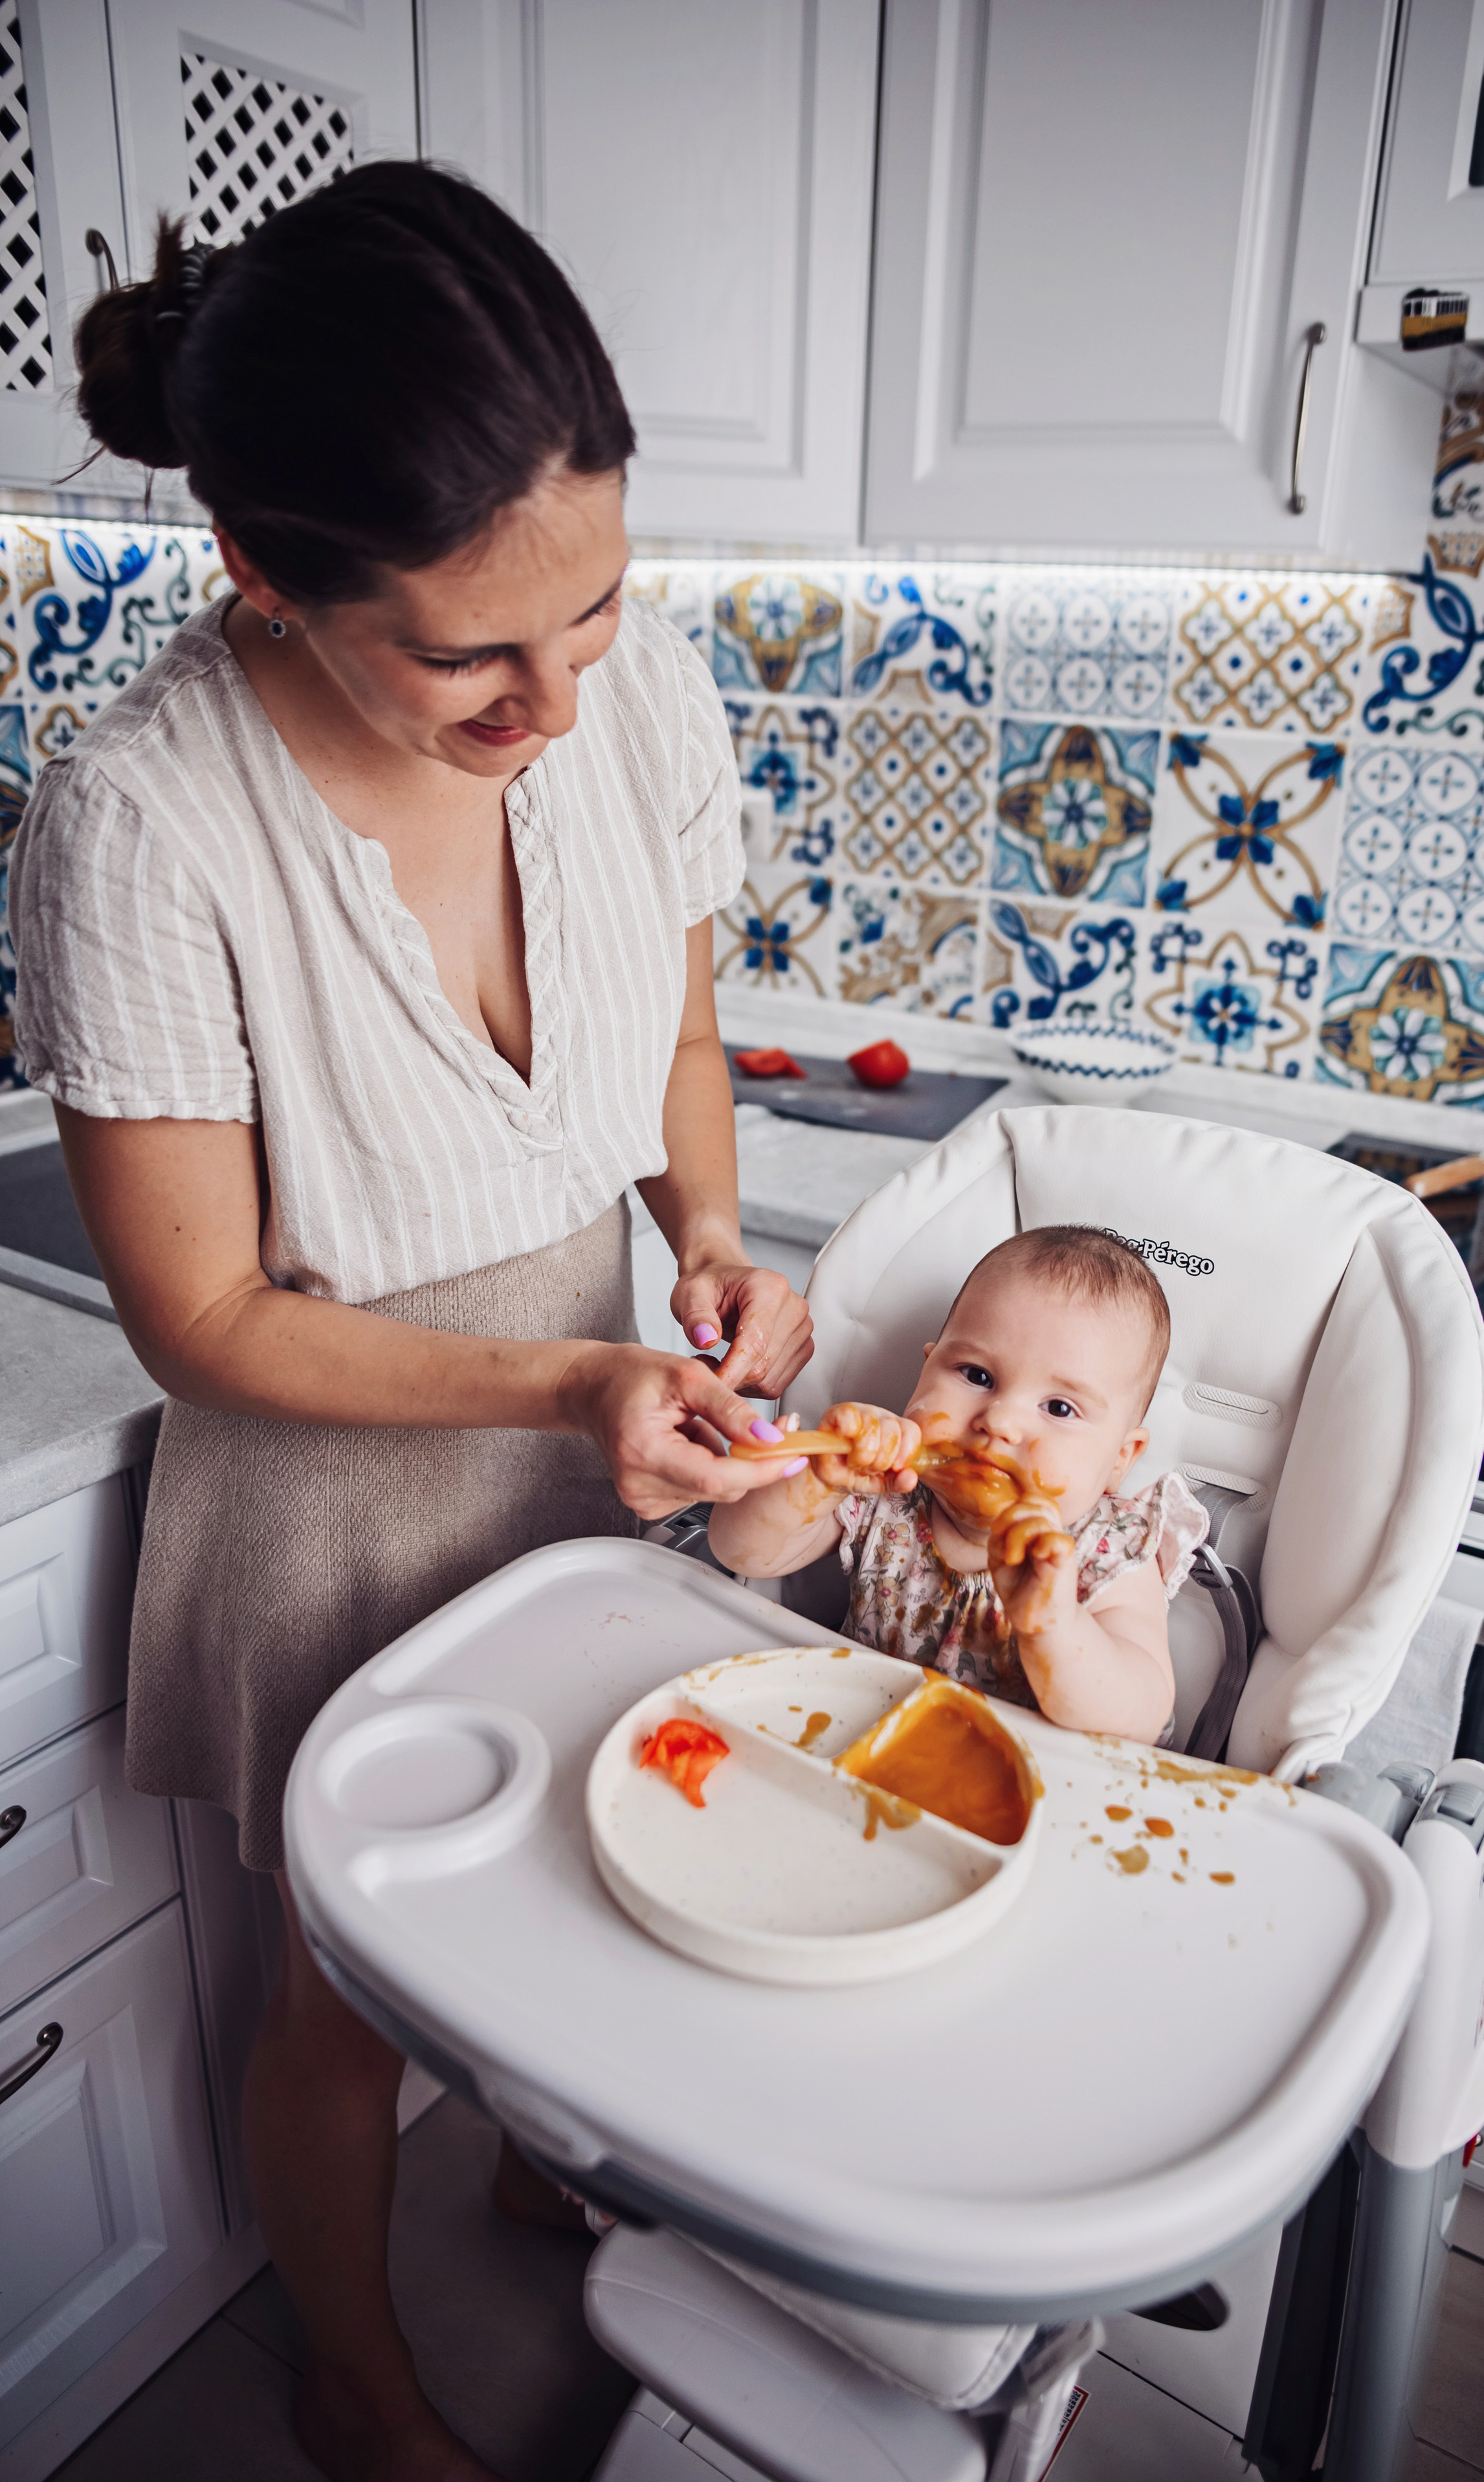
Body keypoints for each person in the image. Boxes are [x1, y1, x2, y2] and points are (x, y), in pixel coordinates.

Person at [7, 166, 811, 2482]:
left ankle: (532, 2150)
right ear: (264, 566)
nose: (559, 699)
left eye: (597, 609)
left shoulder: (618, 693)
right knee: (344, 1984)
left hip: (591, 1399)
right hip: (329, 1463)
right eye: (475, 654)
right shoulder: (144, 820)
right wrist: (574, 1374)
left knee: (584, 1850)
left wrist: (708, 1232)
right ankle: (360, 2384)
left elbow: (673, 1041)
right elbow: (201, 1310)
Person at [708, 1226, 1206, 1739]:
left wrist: (1054, 1625)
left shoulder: (1106, 1546)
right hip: (858, 1742)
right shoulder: (888, 1491)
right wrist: (817, 1479)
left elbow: (1140, 1715)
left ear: (1120, 1459)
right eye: (977, 1376)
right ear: (927, 1371)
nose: (1000, 1421)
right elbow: (740, 1552)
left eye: (1059, 1408)